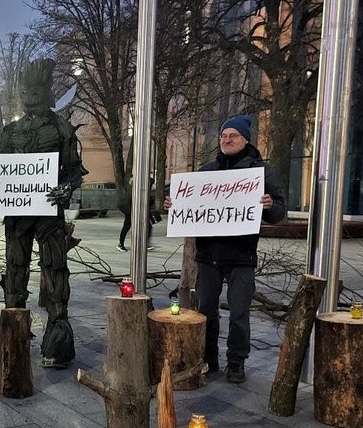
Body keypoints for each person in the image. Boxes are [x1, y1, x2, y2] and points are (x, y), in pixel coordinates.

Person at [0, 58, 88, 369]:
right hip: (16, 214)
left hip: (49, 213)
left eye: (35, 89)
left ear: (46, 92)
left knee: (54, 267)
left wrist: (65, 188)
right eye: (25, 90)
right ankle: (12, 326)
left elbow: (74, 171)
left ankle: (58, 329)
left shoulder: (61, 128)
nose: (30, 95)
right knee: (14, 267)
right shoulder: (9, 131)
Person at [163, 115, 285, 383]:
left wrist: (269, 206)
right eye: (223, 136)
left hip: (241, 255)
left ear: (245, 139)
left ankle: (236, 362)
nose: (227, 140)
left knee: (239, 313)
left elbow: (279, 212)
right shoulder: (207, 171)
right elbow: (186, 200)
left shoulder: (260, 172)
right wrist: (174, 205)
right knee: (206, 311)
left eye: (233, 136)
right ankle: (208, 358)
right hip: (209, 255)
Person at [117, 177, 155, 252]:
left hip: (138, 210)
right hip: (131, 210)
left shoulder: (142, 189)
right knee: (127, 226)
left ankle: (145, 244)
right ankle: (121, 244)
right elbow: (131, 200)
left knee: (148, 226)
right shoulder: (134, 189)